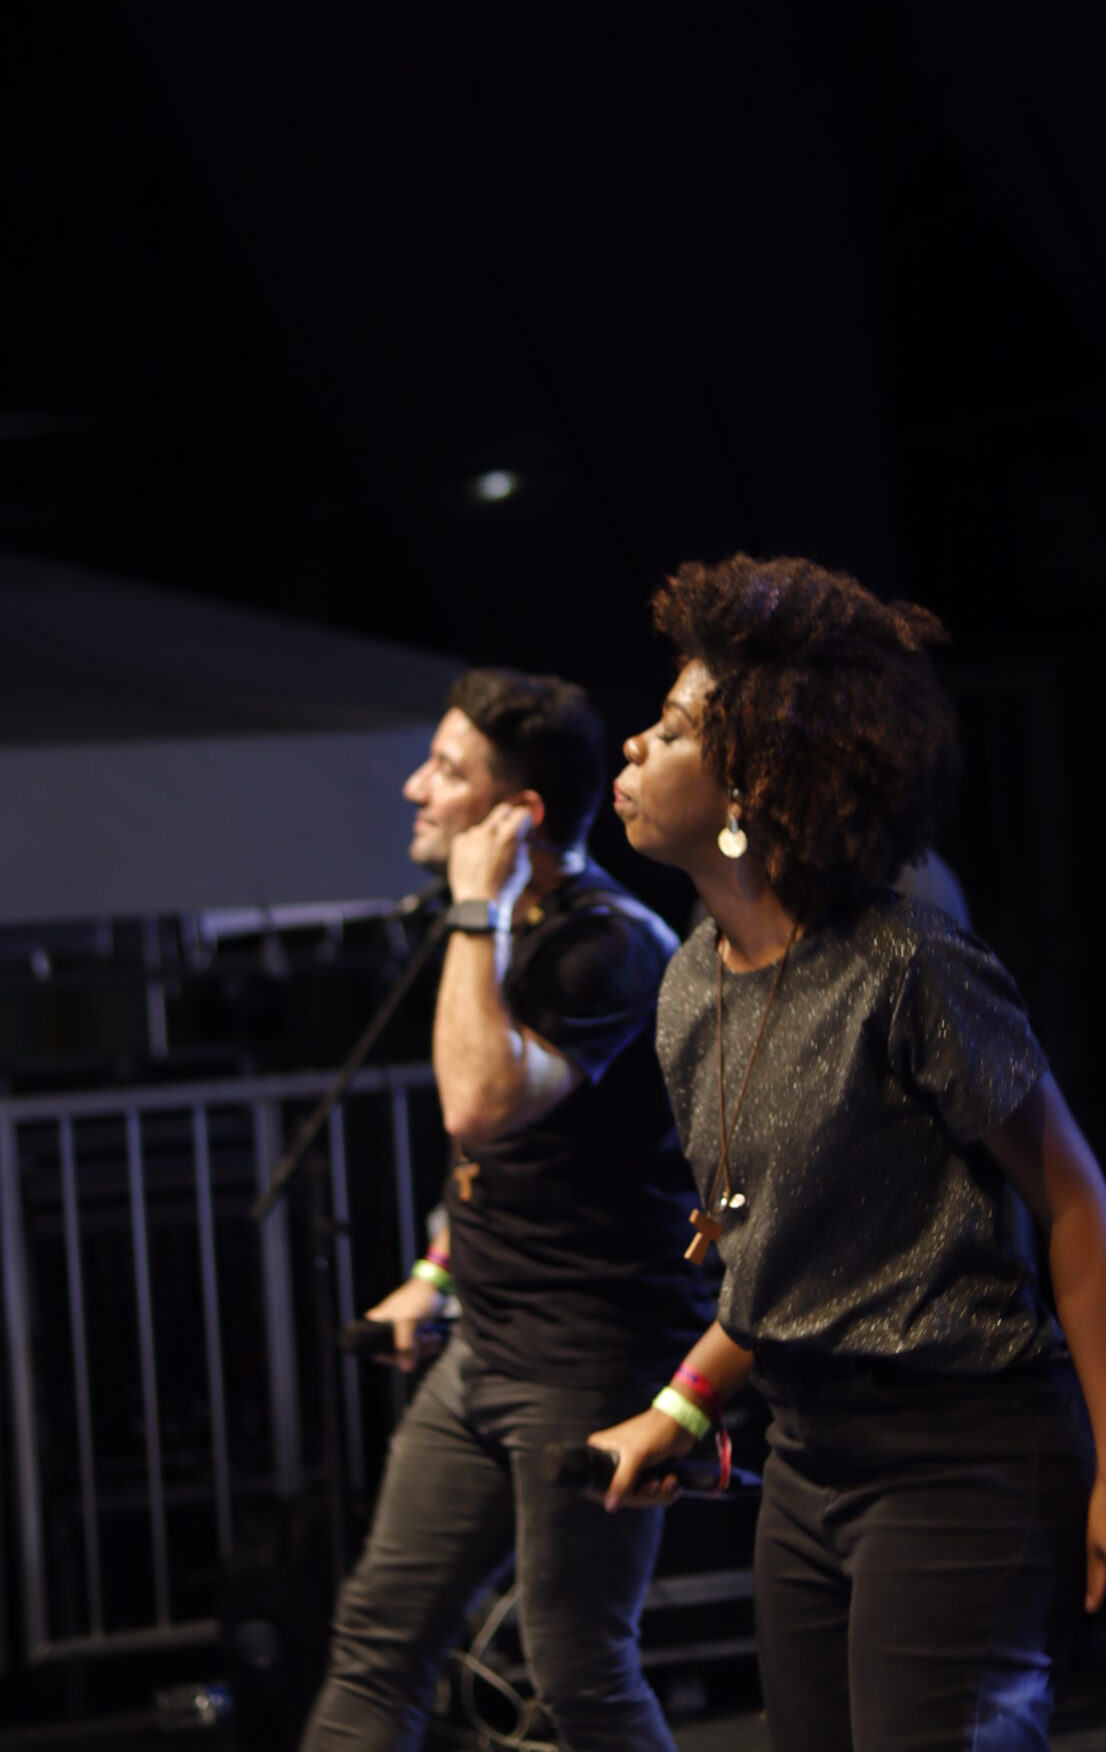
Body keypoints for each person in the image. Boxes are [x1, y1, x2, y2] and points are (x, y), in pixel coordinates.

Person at [594, 554, 1106, 1752]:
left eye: (673, 731)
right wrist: (682, 1407)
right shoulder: (691, 982)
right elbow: (782, 1257)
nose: (635, 748)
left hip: (960, 1454)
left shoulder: (907, 965)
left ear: (754, 782)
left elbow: (1074, 1206)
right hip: (806, 1461)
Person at [301, 668, 713, 1752]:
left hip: (587, 1359)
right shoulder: (502, 934)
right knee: (378, 1639)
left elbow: (480, 1104)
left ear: (515, 814)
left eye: (446, 770)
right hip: (485, 1347)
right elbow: (503, 1159)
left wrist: (474, 909)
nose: (415, 788)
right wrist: (435, 1275)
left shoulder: (607, 944)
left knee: (579, 1670)